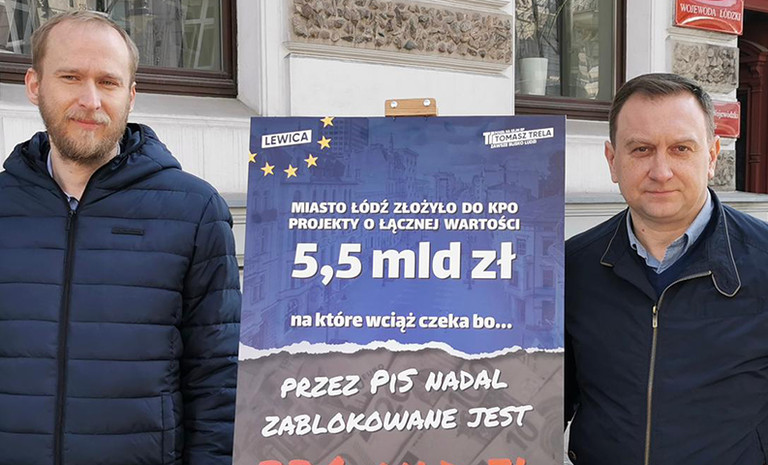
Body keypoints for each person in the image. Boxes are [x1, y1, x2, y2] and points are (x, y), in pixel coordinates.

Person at [0, 10, 241, 465]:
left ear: (130, 95)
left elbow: (218, 379)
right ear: (34, 85)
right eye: (71, 77)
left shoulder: (194, 211)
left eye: (108, 82)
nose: (90, 100)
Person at [565, 73, 768, 465]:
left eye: (680, 149)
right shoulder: (572, 267)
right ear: (613, 160)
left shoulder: (763, 263)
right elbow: (542, 398)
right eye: (641, 149)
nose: (661, 171)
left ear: (712, 156)